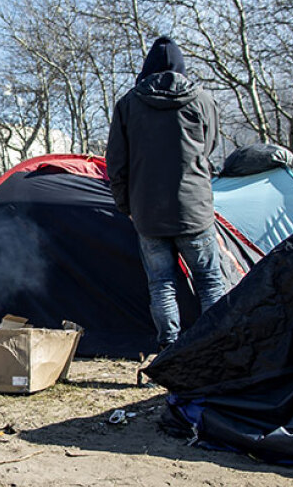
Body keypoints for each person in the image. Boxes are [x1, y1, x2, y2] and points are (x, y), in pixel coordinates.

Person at [106, 35, 224, 351]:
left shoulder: (128, 104)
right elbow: (209, 146)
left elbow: (116, 163)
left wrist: (126, 206)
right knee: (210, 281)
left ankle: (170, 349)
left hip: (148, 213)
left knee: (162, 285)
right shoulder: (203, 100)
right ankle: (218, 348)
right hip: (194, 209)